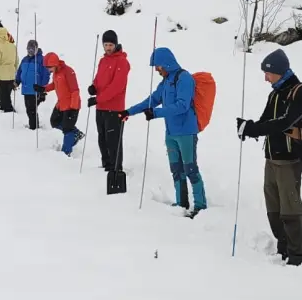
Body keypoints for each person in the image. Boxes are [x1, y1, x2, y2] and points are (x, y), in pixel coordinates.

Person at [236, 49, 302, 266]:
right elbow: (266, 121)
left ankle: (297, 254)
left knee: (290, 205)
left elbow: (285, 122)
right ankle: (283, 246)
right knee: (273, 203)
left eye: (268, 73)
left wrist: (253, 129)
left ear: (279, 71)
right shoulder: (275, 93)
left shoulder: (301, 92)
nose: (265, 78)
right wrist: (248, 127)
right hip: (271, 157)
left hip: (289, 158)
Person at [120, 47, 207, 214]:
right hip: (171, 133)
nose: (156, 69)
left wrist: (156, 113)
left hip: (186, 132)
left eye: (158, 66)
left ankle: (200, 206)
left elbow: (182, 105)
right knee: (176, 169)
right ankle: (181, 203)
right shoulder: (166, 82)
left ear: (166, 63)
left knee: (190, 169)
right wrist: (129, 112)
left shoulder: (184, 78)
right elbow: (152, 100)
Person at [88, 30, 130, 173]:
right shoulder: (102, 60)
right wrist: (94, 87)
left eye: (111, 44)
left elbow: (117, 87)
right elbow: (99, 78)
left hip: (114, 108)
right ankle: (106, 166)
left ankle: (116, 169)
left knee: (113, 141)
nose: (108, 48)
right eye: (105, 45)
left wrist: (98, 99)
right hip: (101, 108)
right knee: (102, 139)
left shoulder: (122, 62)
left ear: (116, 44)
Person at [35, 52, 84, 156]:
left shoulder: (68, 71)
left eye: (50, 67)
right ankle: (76, 134)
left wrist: (73, 108)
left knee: (67, 128)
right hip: (61, 103)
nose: (48, 70)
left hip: (71, 105)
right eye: (47, 68)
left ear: (56, 64)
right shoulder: (56, 73)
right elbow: (55, 85)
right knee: (55, 122)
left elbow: (75, 91)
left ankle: (66, 152)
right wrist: (43, 88)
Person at [16, 40, 50, 129]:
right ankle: (34, 125)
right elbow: (20, 71)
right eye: (28, 49)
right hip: (26, 89)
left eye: (32, 49)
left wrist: (43, 89)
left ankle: (33, 127)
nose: (30, 51)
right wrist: (17, 81)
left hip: (35, 90)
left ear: (36, 49)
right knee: (29, 109)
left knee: (32, 110)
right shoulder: (24, 59)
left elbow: (46, 75)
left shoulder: (41, 60)